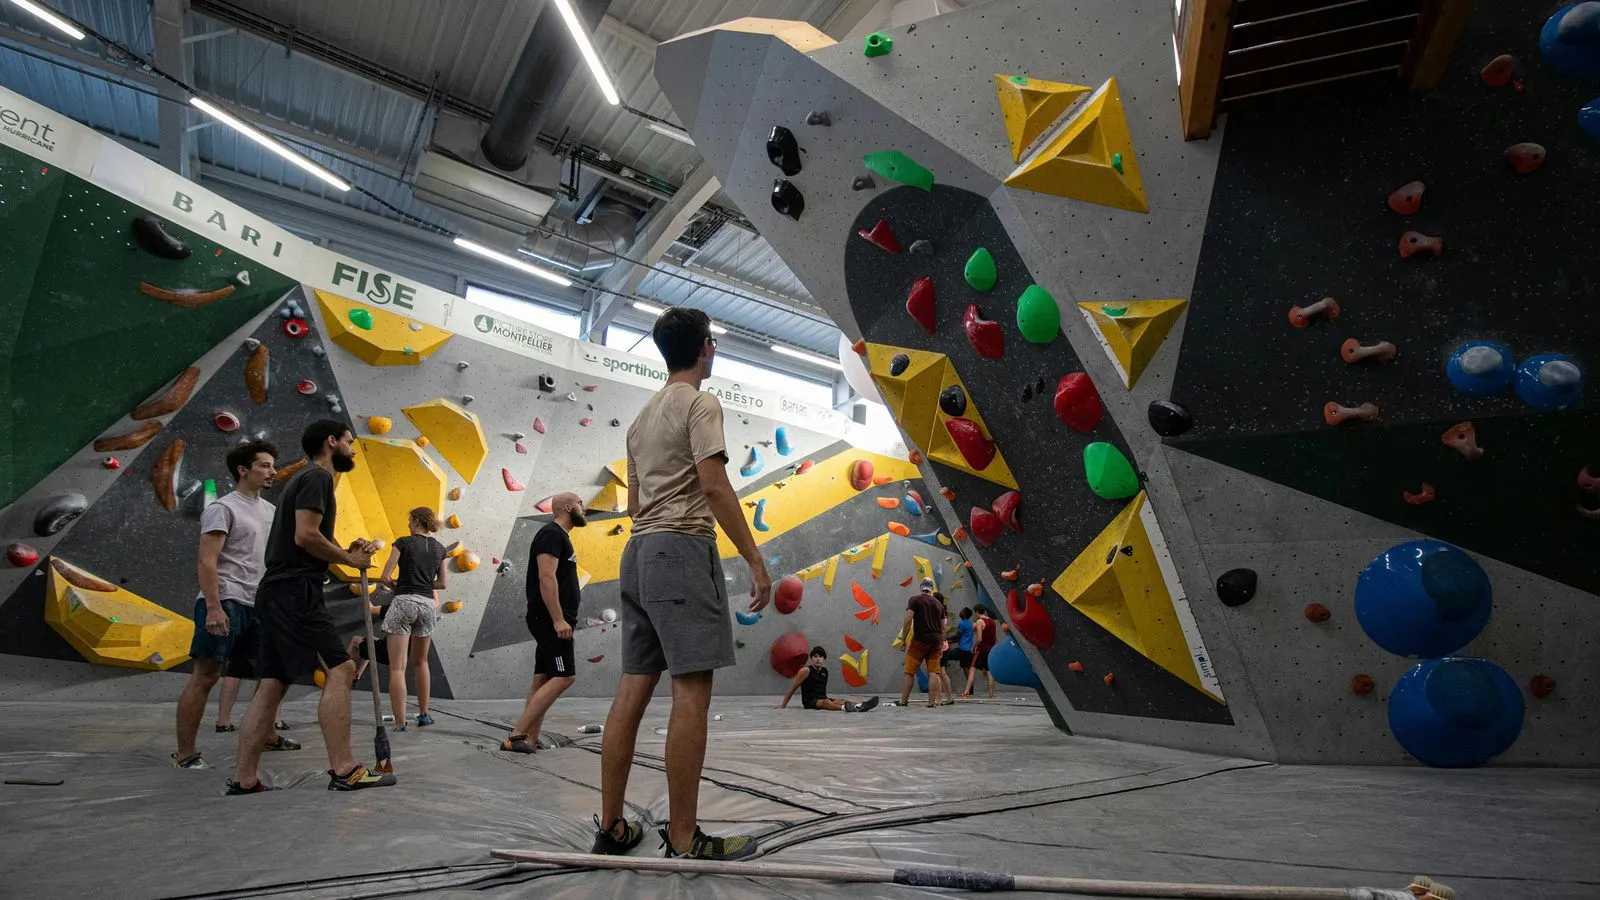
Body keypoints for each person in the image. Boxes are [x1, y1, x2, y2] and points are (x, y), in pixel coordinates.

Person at [591, 307, 771, 861]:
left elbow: (634, 504)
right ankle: (687, 839)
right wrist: (756, 561)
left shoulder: (641, 420)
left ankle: (614, 826)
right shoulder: (700, 403)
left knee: (633, 686)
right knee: (691, 691)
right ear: (706, 347)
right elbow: (714, 486)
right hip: (681, 549)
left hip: (638, 552)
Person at [227, 419, 391, 794]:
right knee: (342, 668)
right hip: (295, 591)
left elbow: (314, 537)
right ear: (331, 441)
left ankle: (244, 778)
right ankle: (345, 768)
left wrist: (349, 551)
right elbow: (306, 537)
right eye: (349, 442)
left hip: (277, 591)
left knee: (272, 684)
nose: (352, 448)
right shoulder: (317, 478)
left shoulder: (303, 482)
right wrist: (351, 563)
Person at [172, 441, 298, 768]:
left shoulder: (271, 512)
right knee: (206, 675)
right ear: (243, 470)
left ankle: (267, 735)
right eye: (265, 465)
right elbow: (206, 560)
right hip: (226, 601)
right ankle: (185, 753)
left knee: (268, 676)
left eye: (273, 465)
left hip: (260, 606)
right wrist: (214, 607)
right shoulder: (222, 508)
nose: (272, 471)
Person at [502, 491, 587, 754]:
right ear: (568, 506)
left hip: (550, 619)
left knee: (543, 679)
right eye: (581, 505)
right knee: (564, 676)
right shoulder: (551, 534)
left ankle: (529, 738)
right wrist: (558, 619)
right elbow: (546, 577)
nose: (584, 509)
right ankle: (517, 735)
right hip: (552, 621)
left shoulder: (559, 537)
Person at [377, 507, 448, 732]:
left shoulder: (403, 543)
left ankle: (400, 723)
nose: (408, 524)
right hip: (427, 606)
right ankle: (425, 715)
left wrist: (398, 585)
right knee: (422, 662)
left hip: (404, 602)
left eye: (410, 520)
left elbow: (385, 576)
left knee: (398, 667)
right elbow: (443, 584)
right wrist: (423, 584)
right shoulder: (440, 548)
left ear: (417, 521)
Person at [778, 646, 879, 712]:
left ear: (824, 659)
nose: (818, 659)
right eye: (815, 656)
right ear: (811, 658)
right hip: (810, 701)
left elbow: (822, 690)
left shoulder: (825, 671)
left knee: (841, 700)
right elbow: (793, 688)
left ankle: (861, 706)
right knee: (826, 703)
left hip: (823, 698)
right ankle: (846, 709)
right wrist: (783, 705)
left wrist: (832, 700)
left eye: (820, 657)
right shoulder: (805, 671)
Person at [899, 579, 946, 708]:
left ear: (921, 587)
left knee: (909, 671)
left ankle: (904, 701)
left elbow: (908, 619)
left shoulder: (914, 600)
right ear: (931, 589)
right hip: (935, 641)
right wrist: (941, 644)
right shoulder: (939, 604)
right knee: (933, 672)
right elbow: (943, 628)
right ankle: (931, 702)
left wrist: (903, 638)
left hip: (919, 640)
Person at [964, 605, 999, 699]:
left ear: (976, 612)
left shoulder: (980, 621)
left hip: (982, 649)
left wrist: (974, 646)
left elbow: (979, 638)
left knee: (972, 670)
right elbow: (995, 638)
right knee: (989, 671)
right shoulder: (991, 621)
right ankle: (991, 694)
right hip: (990, 649)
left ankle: (966, 692)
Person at [948, 607, 976, 696]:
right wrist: (949, 641)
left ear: (964, 614)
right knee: (966, 668)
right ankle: (970, 690)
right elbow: (961, 637)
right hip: (969, 650)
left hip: (962, 650)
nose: (960, 612)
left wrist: (946, 638)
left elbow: (957, 636)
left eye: (961, 611)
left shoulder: (962, 623)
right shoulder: (970, 624)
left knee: (945, 656)